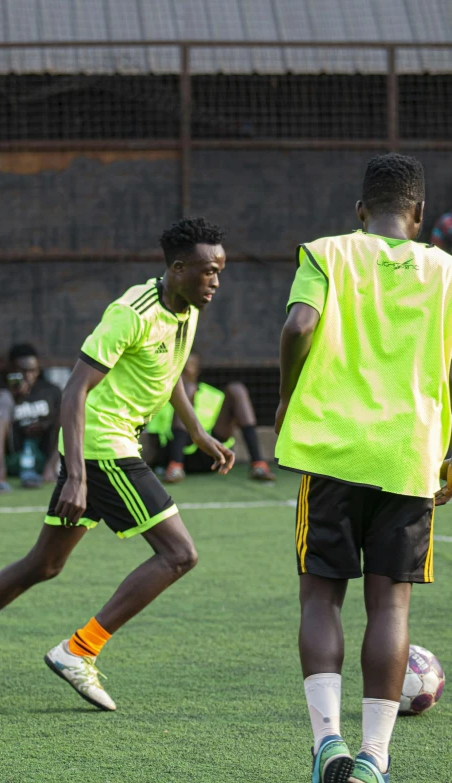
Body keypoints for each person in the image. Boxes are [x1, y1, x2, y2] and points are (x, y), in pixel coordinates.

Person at [0, 216, 234, 712]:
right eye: (208, 272)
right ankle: (79, 650)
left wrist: (197, 431)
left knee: (43, 564)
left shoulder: (187, 306)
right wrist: (75, 474)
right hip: (101, 445)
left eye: (220, 271)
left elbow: (170, 368)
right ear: (178, 269)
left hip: (111, 446)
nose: (216, 282)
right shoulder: (130, 312)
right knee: (179, 554)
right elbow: (74, 390)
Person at [274, 154, 452, 783]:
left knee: (322, 593)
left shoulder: (327, 252)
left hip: (330, 449)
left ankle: (327, 742)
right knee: (391, 605)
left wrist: (286, 394)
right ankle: (376, 758)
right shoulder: (445, 271)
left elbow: (299, 325)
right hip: (410, 454)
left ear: (360, 211)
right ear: (421, 214)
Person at [144, 351, 275, 482]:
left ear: (197, 370)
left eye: (189, 365)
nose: (184, 369)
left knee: (236, 389)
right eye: (180, 365)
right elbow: (154, 438)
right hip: (178, 452)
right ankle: (175, 467)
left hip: (211, 454)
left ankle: (258, 465)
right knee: (187, 389)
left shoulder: (214, 395)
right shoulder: (161, 398)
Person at [0, 343, 62, 493]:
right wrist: (13, 398)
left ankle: (50, 470)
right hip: (13, 452)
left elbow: (61, 424)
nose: (28, 376)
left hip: (43, 453)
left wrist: (44, 424)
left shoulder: (51, 391)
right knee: (0, 397)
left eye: (33, 371)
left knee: (68, 408)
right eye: (22, 371)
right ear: (11, 369)